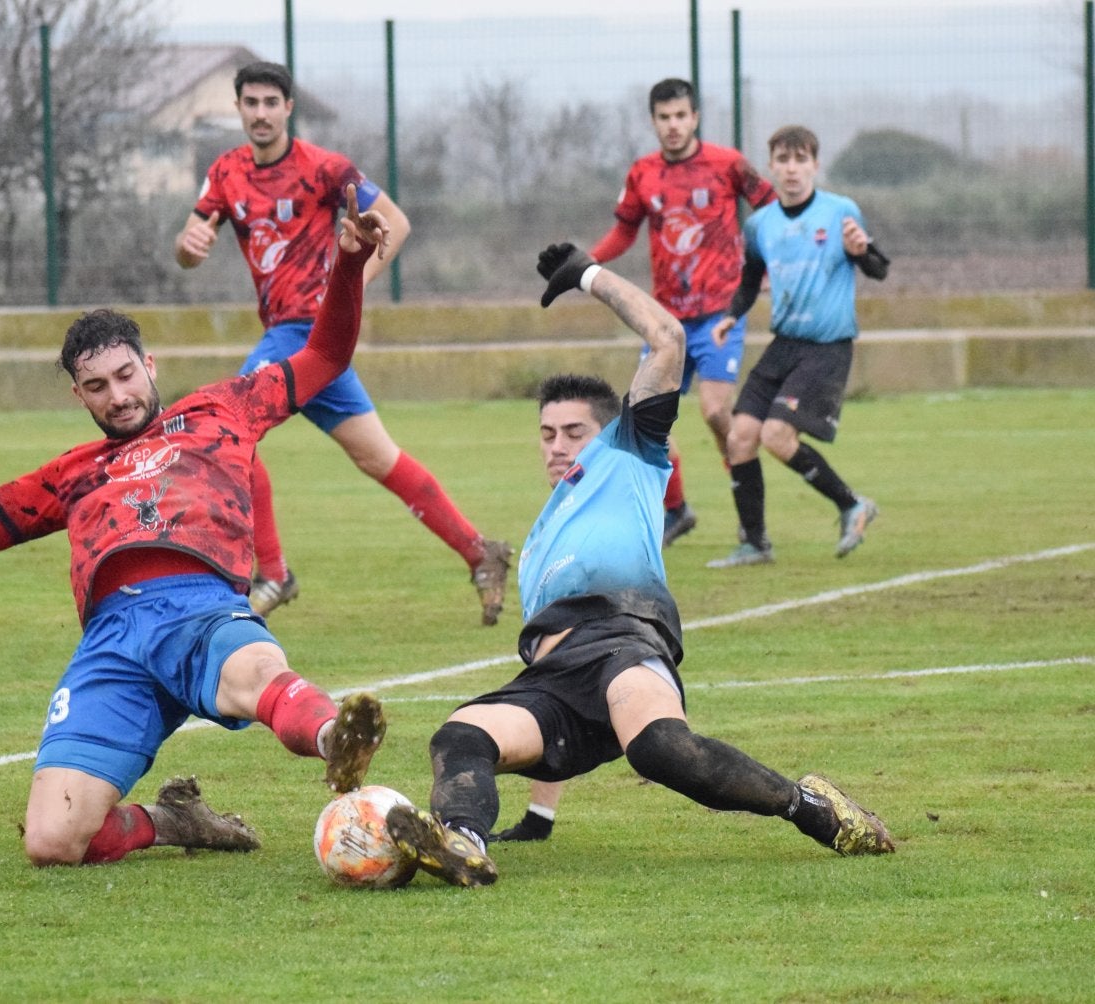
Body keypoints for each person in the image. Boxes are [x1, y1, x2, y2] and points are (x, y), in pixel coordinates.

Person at [0, 187, 392, 869]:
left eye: (125, 376)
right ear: (78, 394)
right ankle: (172, 820)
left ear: (149, 366)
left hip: (198, 608)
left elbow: (324, 357)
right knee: (54, 842)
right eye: (97, 387)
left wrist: (348, 265)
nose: (118, 397)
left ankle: (335, 737)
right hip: (113, 644)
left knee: (255, 670)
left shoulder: (223, 409)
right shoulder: (73, 472)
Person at [382, 243, 895, 887]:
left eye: (574, 431)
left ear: (609, 432)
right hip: (552, 683)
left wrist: (588, 276)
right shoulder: (540, 542)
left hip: (624, 645)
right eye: (547, 433)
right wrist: (541, 811)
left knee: (660, 751)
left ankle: (810, 806)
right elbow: (552, 660)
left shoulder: (630, 456)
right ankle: (461, 842)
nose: (558, 445)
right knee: (459, 736)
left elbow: (667, 339)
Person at [174, 60, 511, 625]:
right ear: (238, 109)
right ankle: (481, 553)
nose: (260, 113)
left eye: (270, 103)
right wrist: (188, 246)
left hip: (304, 332)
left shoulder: (324, 168)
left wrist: (347, 290)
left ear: (288, 108)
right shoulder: (224, 173)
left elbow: (395, 224)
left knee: (228, 427)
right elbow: (189, 249)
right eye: (250, 103)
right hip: (296, 341)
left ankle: (274, 574)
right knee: (379, 457)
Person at [589, 77, 776, 547]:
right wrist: (586, 264)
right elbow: (624, 233)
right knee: (642, 417)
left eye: (681, 116)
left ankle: (750, 520)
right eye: (664, 118)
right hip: (664, 322)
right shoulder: (642, 173)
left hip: (719, 313)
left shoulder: (727, 163)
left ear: (694, 117)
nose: (673, 126)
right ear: (654, 122)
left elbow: (772, 206)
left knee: (716, 413)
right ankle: (677, 510)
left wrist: (768, 263)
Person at [706, 125, 890, 568]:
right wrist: (732, 315)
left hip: (827, 346)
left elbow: (878, 267)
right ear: (771, 167)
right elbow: (750, 279)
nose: (792, 170)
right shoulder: (760, 224)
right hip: (784, 344)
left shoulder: (840, 211)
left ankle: (851, 505)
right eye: (783, 161)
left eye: (801, 160)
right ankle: (755, 543)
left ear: (815, 165)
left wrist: (861, 251)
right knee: (740, 436)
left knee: (776, 435)